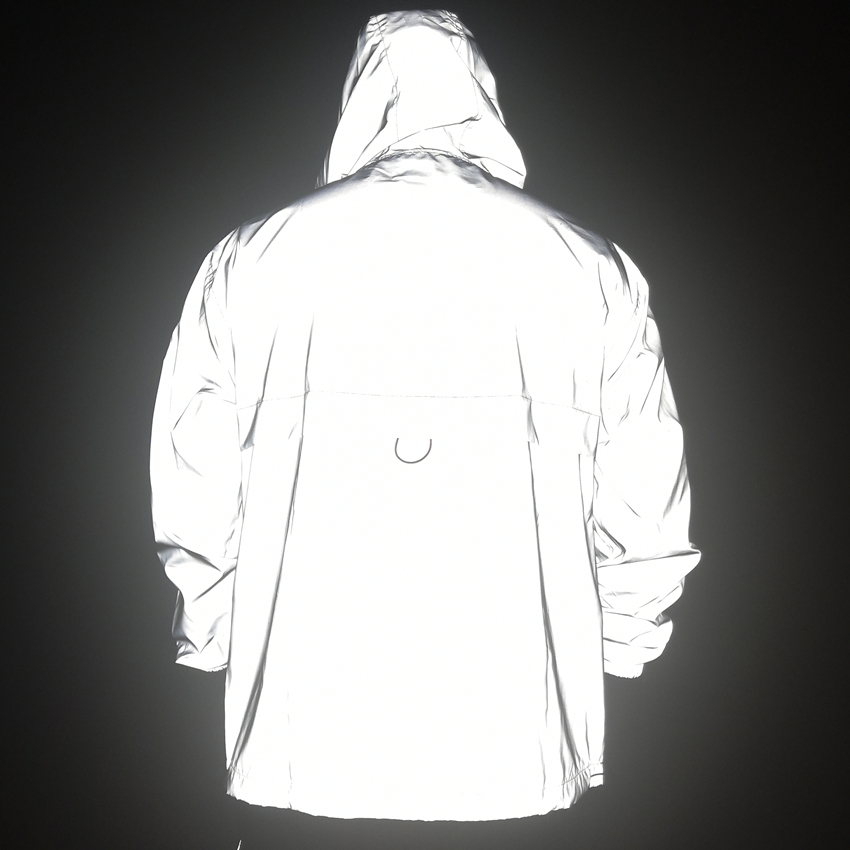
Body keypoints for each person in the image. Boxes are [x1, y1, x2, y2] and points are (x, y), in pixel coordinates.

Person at [150, 9, 701, 848]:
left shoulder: (251, 258)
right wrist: (619, 646)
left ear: (360, 94)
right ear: (481, 91)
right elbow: (648, 500)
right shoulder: (592, 268)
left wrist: (218, 634)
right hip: (514, 746)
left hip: (307, 743)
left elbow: (194, 483)